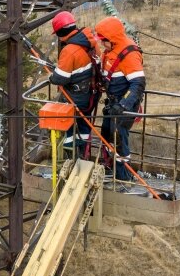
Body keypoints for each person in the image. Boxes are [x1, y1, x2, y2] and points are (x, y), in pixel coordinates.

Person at [95, 16, 145, 181]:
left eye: (104, 40)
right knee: (106, 134)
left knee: (118, 139)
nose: (102, 44)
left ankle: (123, 176)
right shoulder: (111, 51)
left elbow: (138, 84)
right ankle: (111, 166)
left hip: (124, 105)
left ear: (112, 39)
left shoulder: (129, 54)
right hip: (114, 103)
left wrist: (124, 104)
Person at [48, 11, 100, 159]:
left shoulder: (69, 50)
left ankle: (69, 158)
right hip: (91, 94)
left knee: (69, 128)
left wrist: (52, 77)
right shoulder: (90, 42)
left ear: (60, 32)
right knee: (84, 125)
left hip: (75, 97)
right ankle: (84, 155)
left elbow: (61, 78)